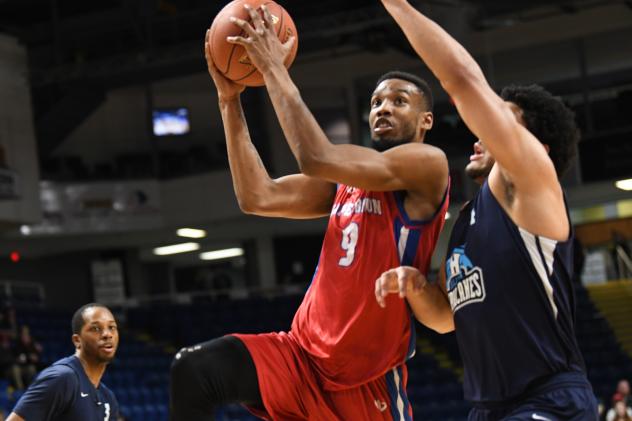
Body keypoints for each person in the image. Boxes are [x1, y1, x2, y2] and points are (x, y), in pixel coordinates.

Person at [169, 7, 450, 420]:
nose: (383, 108)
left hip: (366, 379)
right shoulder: (346, 179)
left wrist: (271, 68)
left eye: (399, 101)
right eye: (375, 102)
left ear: (426, 120)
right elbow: (258, 196)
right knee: (194, 370)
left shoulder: (429, 165)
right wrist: (229, 100)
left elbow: (315, 155)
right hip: (300, 357)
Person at [374, 0, 598, 420]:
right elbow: (446, 318)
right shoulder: (464, 224)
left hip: (548, 399)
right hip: (490, 408)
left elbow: (460, 80)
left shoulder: (530, 185)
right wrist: (417, 288)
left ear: (536, 149)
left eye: (495, 124)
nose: (478, 135)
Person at [7, 304, 120, 421]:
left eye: (112, 327)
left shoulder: (108, 397)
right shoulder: (62, 379)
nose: (107, 334)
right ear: (77, 340)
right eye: (96, 328)